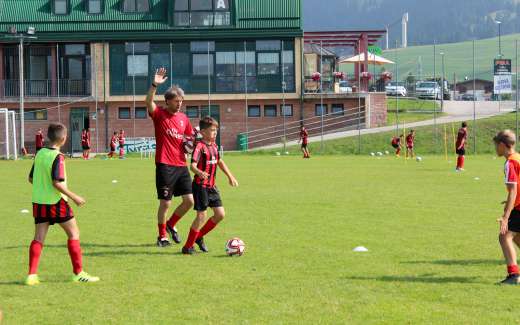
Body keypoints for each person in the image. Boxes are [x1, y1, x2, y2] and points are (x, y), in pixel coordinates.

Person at [26, 123, 99, 285]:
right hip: (56, 202)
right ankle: (78, 273)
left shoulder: (40, 154)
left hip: (39, 202)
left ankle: (31, 275)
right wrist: (75, 197)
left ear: (48, 136)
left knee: (38, 238)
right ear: (64, 139)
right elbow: (57, 183)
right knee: (74, 234)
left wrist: (42, 187)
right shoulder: (58, 157)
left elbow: (31, 178)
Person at [145, 68, 195, 247]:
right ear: (167, 102)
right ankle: (162, 236)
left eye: (181, 101)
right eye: (176, 101)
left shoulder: (183, 118)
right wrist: (154, 85)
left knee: (189, 201)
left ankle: (171, 224)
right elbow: (148, 101)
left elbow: (189, 140)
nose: (179, 104)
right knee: (165, 203)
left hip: (181, 165)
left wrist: (192, 143)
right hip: (165, 164)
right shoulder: (159, 114)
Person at [182, 117, 239, 254]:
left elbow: (219, 161)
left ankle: (199, 237)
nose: (215, 133)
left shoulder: (214, 145)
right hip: (200, 186)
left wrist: (230, 176)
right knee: (201, 216)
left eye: (216, 130)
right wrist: (199, 172)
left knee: (220, 214)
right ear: (203, 132)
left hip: (212, 186)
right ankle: (187, 247)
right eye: (212, 130)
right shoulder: (199, 147)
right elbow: (192, 166)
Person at [493, 130, 520, 285]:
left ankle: (514, 275)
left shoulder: (510, 162)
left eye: (496, 145)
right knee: (516, 236)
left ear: (502, 145)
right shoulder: (518, 157)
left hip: (518, 207)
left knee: (505, 236)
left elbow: (513, 191)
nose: (496, 149)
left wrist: (505, 217)